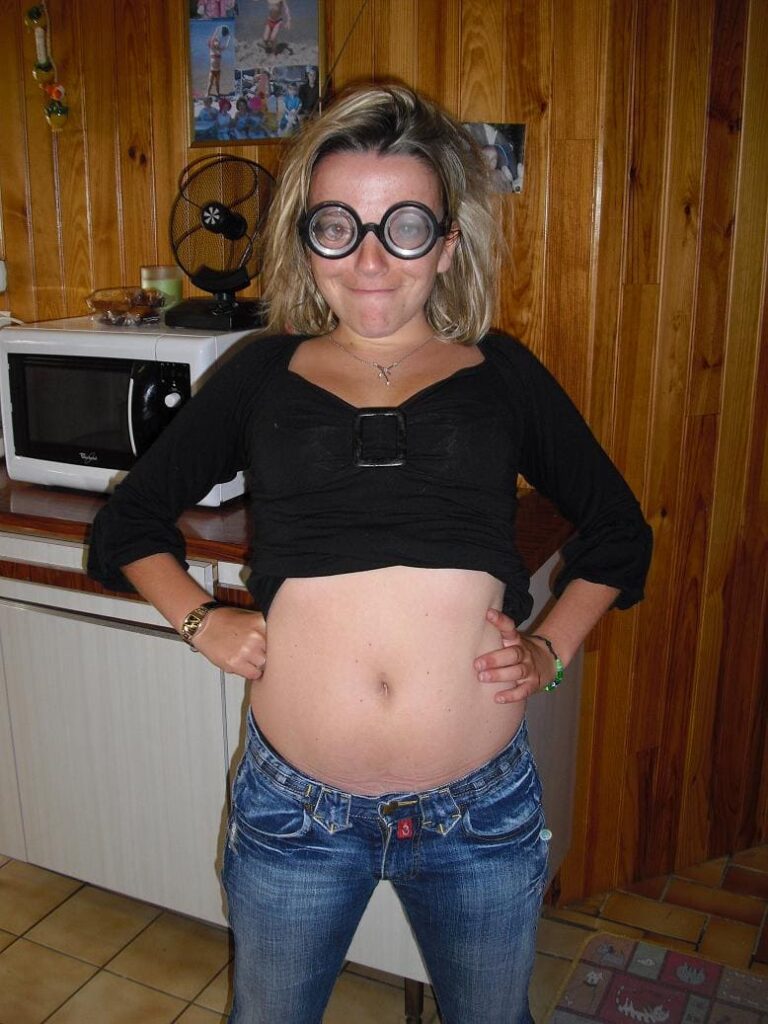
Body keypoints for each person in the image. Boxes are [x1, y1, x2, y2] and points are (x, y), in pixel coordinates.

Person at [88, 85, 652, 1024]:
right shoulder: (261, 375)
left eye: (405, 227)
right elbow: (129, 524)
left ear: (448, 244)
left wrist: (551, 650)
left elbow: (620, 529)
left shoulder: (501, 374)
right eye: (338, 226)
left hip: (480, 813)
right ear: (306, 242)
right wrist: (200, 620)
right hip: (294, 813)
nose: (371, 259)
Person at [206, 24, 231, 96]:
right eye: (215, 41)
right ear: (212, 43)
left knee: (217, 83)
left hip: (218, 70)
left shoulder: (220, 50)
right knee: (210, 82)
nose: (217, 42)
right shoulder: (212, 49)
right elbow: (212, 39)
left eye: (218, 41)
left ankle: (218, 93)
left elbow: (226, 46)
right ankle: (207, 93)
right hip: (212, 70)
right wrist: (216, 30)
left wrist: (229, 38)